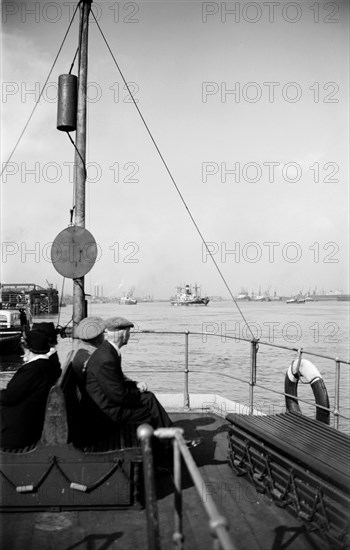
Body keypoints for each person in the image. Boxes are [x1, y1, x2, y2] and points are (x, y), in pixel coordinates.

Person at [86, 316, 173, 431]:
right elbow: (118, 395)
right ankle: (171, 441)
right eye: (129, 333)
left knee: (149, 399)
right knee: (149, 406)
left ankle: (170, 439)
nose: (129, 336)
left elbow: (115, 383)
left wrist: (134, 384)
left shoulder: (107, 351)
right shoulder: (107, 358)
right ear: (124, 334)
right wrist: (138, 392)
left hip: (102, 406)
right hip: (107, 413)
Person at [0, 330, 60, 449]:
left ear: (28, 349)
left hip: (17, 429)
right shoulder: (46, 366)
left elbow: (9, 398)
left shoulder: (32, 370)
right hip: (30, 421)